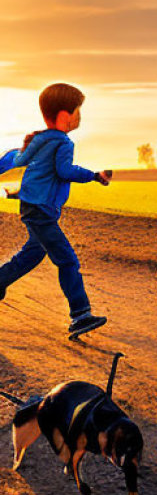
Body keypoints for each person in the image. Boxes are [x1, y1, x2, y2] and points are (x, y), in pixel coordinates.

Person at [0, 83, 112, 337]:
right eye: (77, 111)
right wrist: (94, 175)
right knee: (67, 259)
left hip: (36, 209)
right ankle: (80, 314)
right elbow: (64, 171)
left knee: (32, 253)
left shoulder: (41, 140)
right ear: (64, 115)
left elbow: (21, 163)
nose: (79, 117)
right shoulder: (61, 143)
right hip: (41, 212)